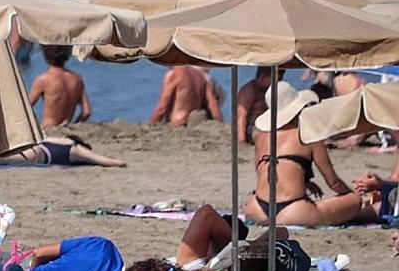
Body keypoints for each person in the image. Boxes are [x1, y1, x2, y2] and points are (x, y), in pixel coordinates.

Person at [242, 85, 377, 227]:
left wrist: (303, 182)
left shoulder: (259, 136)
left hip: (256, 209)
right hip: (293, 211)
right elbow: (333, 182)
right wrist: (349, 196)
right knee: (355, 200)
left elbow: (267, 173)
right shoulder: (308, 135)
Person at [27, 45, 91, 127]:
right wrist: (74, 126)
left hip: (49, 128)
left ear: (45, 55)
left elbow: (26, 108)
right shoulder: (77, 79)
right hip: (66, 129)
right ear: (67, 55)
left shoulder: (43, 80)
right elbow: (86, 112)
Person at [151, 63, 223, 126]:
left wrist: (152, 124)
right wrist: (220, 123)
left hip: (178, 123)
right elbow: (213, 105)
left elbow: (161, 108)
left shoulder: (173, 74)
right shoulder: (201, 75)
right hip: (193, 122)